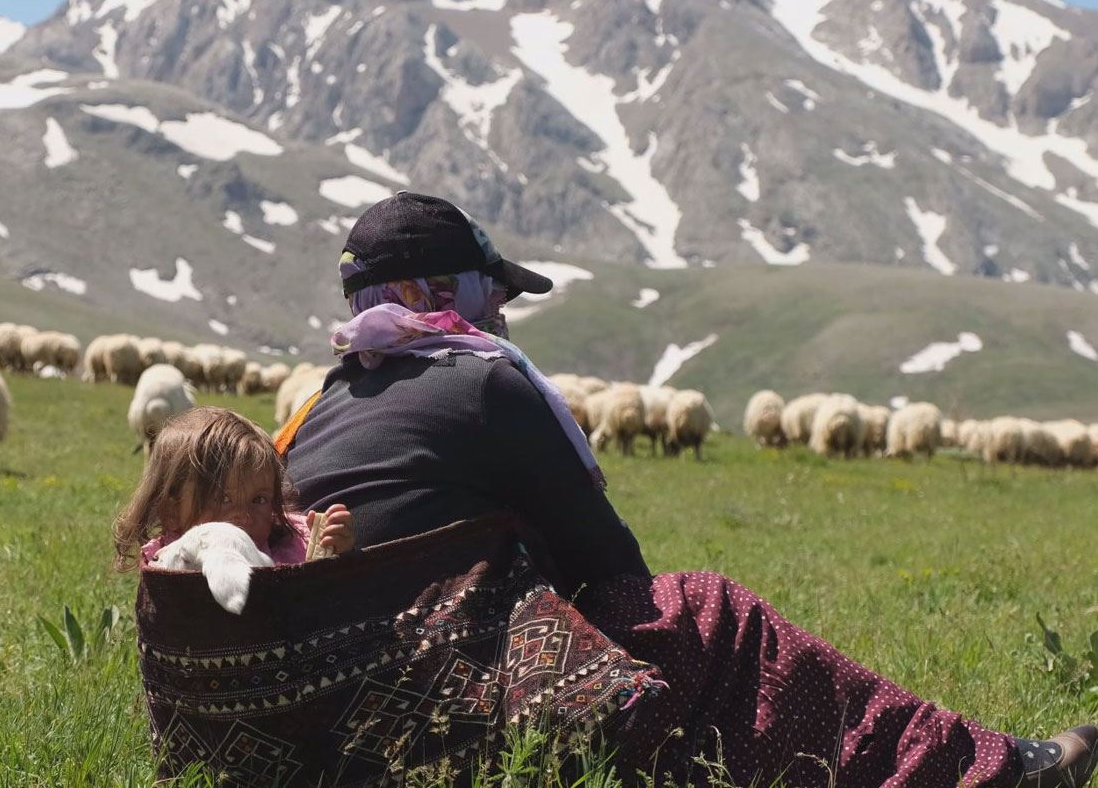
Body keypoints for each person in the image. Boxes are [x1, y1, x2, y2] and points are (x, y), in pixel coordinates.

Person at [281, 191, 1096, 788]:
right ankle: (982, 772)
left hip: (343, 708)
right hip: (451, 706)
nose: (500, 311)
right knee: (707, 614)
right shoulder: (484, 386)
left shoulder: (322, 403)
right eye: (489, 289)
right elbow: (608, 566)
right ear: (436, 293)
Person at [113, 406, 353, 570]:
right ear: (172, 513)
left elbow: (320, 596)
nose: (244, 516)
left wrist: (333, 551)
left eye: (259, 500)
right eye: (223, 499)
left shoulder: (291, 544)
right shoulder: (171, 565)